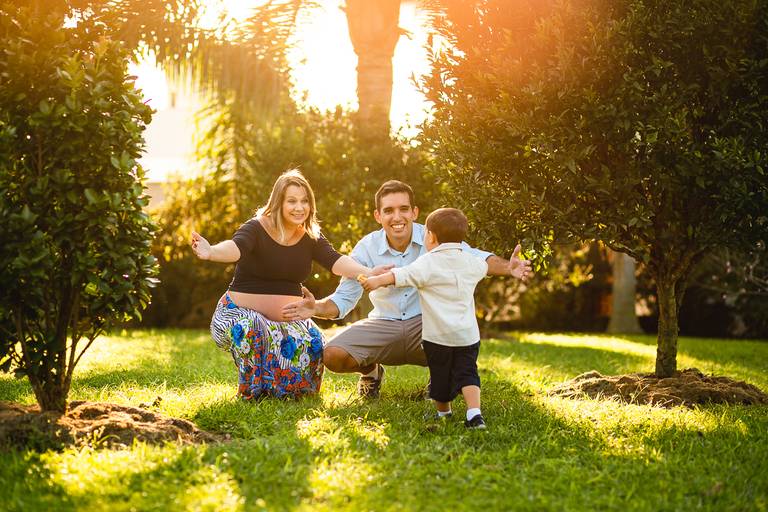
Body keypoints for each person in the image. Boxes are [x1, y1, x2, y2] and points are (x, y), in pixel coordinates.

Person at [281, 180, 532, 398]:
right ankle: (372, 372)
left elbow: (476, 257)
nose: (397, 217)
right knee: (333, 355)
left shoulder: (434, 237)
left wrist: (509, 268)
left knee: (458, 338)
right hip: (384, 323)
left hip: (428, 324)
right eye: (388, 210)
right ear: (378, 216)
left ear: (414, 212)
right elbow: (344, 299)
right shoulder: (367, 247)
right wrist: (316, 308)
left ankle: (440, 377)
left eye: (403, 209)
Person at [190, 169, 388, 400]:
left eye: (305, 201)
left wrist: (369, 273)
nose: (299, 207)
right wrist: (211, 252)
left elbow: (335, 261)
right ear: (278, 202)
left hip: (285, 322)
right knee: (253, 328)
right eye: (292, 201)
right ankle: (251, 394)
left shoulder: (310, 236)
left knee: (314, 343)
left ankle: (290, 393)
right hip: (235, 315)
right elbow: (235, 248)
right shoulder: (256, 227)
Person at [362, 208, 489, 429]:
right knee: (468, 372)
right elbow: (484, 266)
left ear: (430, 236)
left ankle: (444, 413)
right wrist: (512, 268)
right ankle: (474, 414)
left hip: (438, 337)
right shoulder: (471, 261)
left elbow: (400, 275)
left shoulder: (427, 263)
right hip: (467, 336)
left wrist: (375, 281)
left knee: (440, 375)